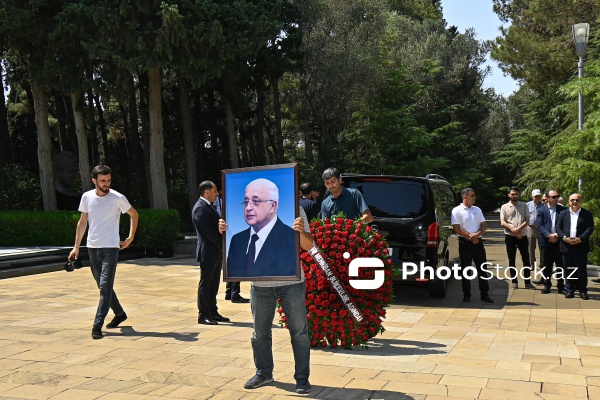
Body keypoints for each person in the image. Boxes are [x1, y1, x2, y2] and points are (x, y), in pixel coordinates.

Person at [219, 207, 313, 394]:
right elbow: (233, 250)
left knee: (299, 332)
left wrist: (300, 231)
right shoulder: (241, 231)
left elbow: (308, 245)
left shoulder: (295, 208)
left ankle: (302, 377)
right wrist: (225, 230)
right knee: (260, 333)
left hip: (292, 282)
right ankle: (263, 372)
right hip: (260, 285)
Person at [68, 165, 138, 339]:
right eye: (103, 181)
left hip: (111, 249)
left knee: (105, 288)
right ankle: (120, 313)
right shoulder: (87, 197)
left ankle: (97, 325)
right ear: (94, 181)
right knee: (103, 286)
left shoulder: (118, 198)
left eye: (108, 180)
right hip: (92, 248)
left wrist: (130, 237)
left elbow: (134, 214)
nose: (106, 184)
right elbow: (82, 222)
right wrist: (76, 246)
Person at [226, 178, 297, 278]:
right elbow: (232, 279)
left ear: (272, 206)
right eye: (246, 202)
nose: (248, 207)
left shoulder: (291, 239)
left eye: (256, 201)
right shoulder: (237, 240)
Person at [192, 181, 231, 325]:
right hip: (208, 252)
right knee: (206, 284)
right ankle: (203, 314)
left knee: (213, 284)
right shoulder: (200, 209)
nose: (217, 194)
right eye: (215, 191)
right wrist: (223, 245)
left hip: (215, 252)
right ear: (207, 192)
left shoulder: (208, 206)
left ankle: (212, 311)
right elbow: (209, 234)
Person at [451, 188, 494, 303]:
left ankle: (484, 294)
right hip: (465, 243)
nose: (474, 197)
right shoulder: (456, 210)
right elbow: (456, 228)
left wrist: (477, 235)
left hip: (478, 243)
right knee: (466, 269)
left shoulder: (477, 209)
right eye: (472, 195)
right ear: (465, 196)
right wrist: (470, 236)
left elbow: (484, 225)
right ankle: (466, 295)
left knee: (482, 268)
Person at [213, 190, 250, 303]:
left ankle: (229, 292)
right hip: (235, 235)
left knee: (232, 264)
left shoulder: (226, 204)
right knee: (238, 265)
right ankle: (234, 293)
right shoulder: (228, 204)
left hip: (230, 235)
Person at [556, 193, 594, 300]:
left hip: (580, 246)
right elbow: (558, 228)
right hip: (566, 246)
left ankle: (583, 291)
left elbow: (590, 228)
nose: (574, 202)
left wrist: (580, 239)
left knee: (581, 270)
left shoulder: (586, 214)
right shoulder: (563, 213)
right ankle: (569, 290)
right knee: (568, 269)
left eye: (577, 200)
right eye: (572, 200)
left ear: (581, 201)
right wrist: (564, 238)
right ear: (569, 201)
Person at [500, 186, 533, 289]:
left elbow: (527, 220)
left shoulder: (524, 205)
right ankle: (514, 281)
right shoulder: (504, 207)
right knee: (511, 260)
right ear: (508, 195)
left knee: (526, 259)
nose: (514, 196)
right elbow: (503, 222)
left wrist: (518, 229)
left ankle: (527, 282)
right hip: (510, 236)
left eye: (516, 194)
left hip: (522, 236)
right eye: (512, 194)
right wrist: (513, 230)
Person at [537, 190, 567, 294]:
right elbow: (540, 225)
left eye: (557, 196)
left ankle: (561, 286)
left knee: (560, 265)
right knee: (546, 265)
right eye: (554, 197)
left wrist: (557, 235)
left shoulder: (563, 210)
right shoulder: (541, 210)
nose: (556, 198)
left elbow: (565, 225)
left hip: (559, 242)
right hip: (546, 241)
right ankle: (547, 284)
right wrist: (549, 235)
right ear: (547, 198)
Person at [527, 189, 544, 272]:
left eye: (538, 196)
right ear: (532, 196)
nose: (537, 197)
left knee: (542, 246)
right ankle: (531, 264)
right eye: (535, 196)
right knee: (531, 247)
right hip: (531, 227)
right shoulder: (527, 205)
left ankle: (543, 263)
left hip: (541, 228)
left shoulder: (544, 205)